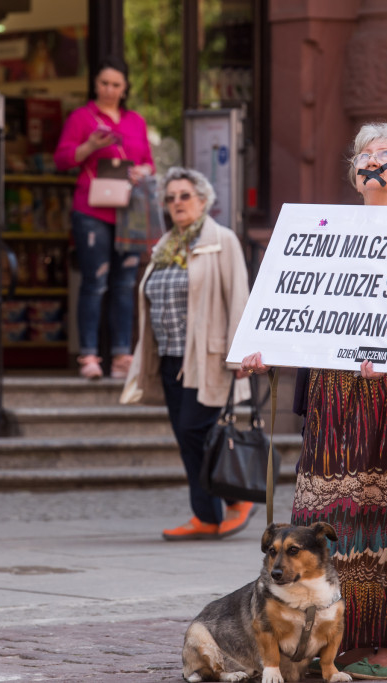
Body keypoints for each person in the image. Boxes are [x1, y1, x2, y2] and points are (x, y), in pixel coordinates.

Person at [242, 122, 387, 679]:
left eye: (385, 155)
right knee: (325, 518)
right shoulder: (324, 231)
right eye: (365, 154)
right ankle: (329, 642)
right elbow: (296, 308)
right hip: (332, 405)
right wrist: (265, 346)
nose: (371, 161)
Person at [121, 167, 256, 541]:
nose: (177, 203)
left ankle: (230, 500)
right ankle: (211, 514)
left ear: (203, 200)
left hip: (207, 358)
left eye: (184, 195)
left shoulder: (221, 240)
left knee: (196, 431)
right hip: (169, 358)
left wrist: (240, 352)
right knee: (187, 436)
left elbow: (238, 297)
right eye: (171, 197)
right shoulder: (165, 246)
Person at [54, 55, 155, 380]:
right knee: (94, 282)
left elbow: (150, 162)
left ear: (125, 89)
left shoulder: (136, 121)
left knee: (126, 284)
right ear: (95, 85)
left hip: (129, 210)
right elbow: (62, 160)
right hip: (91, 209)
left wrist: (144, 171)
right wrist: (88, 147)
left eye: (116, 85)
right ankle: (89, 356)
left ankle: (122, 356)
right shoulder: (82, 117)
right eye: (104, 84)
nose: (110, 90)